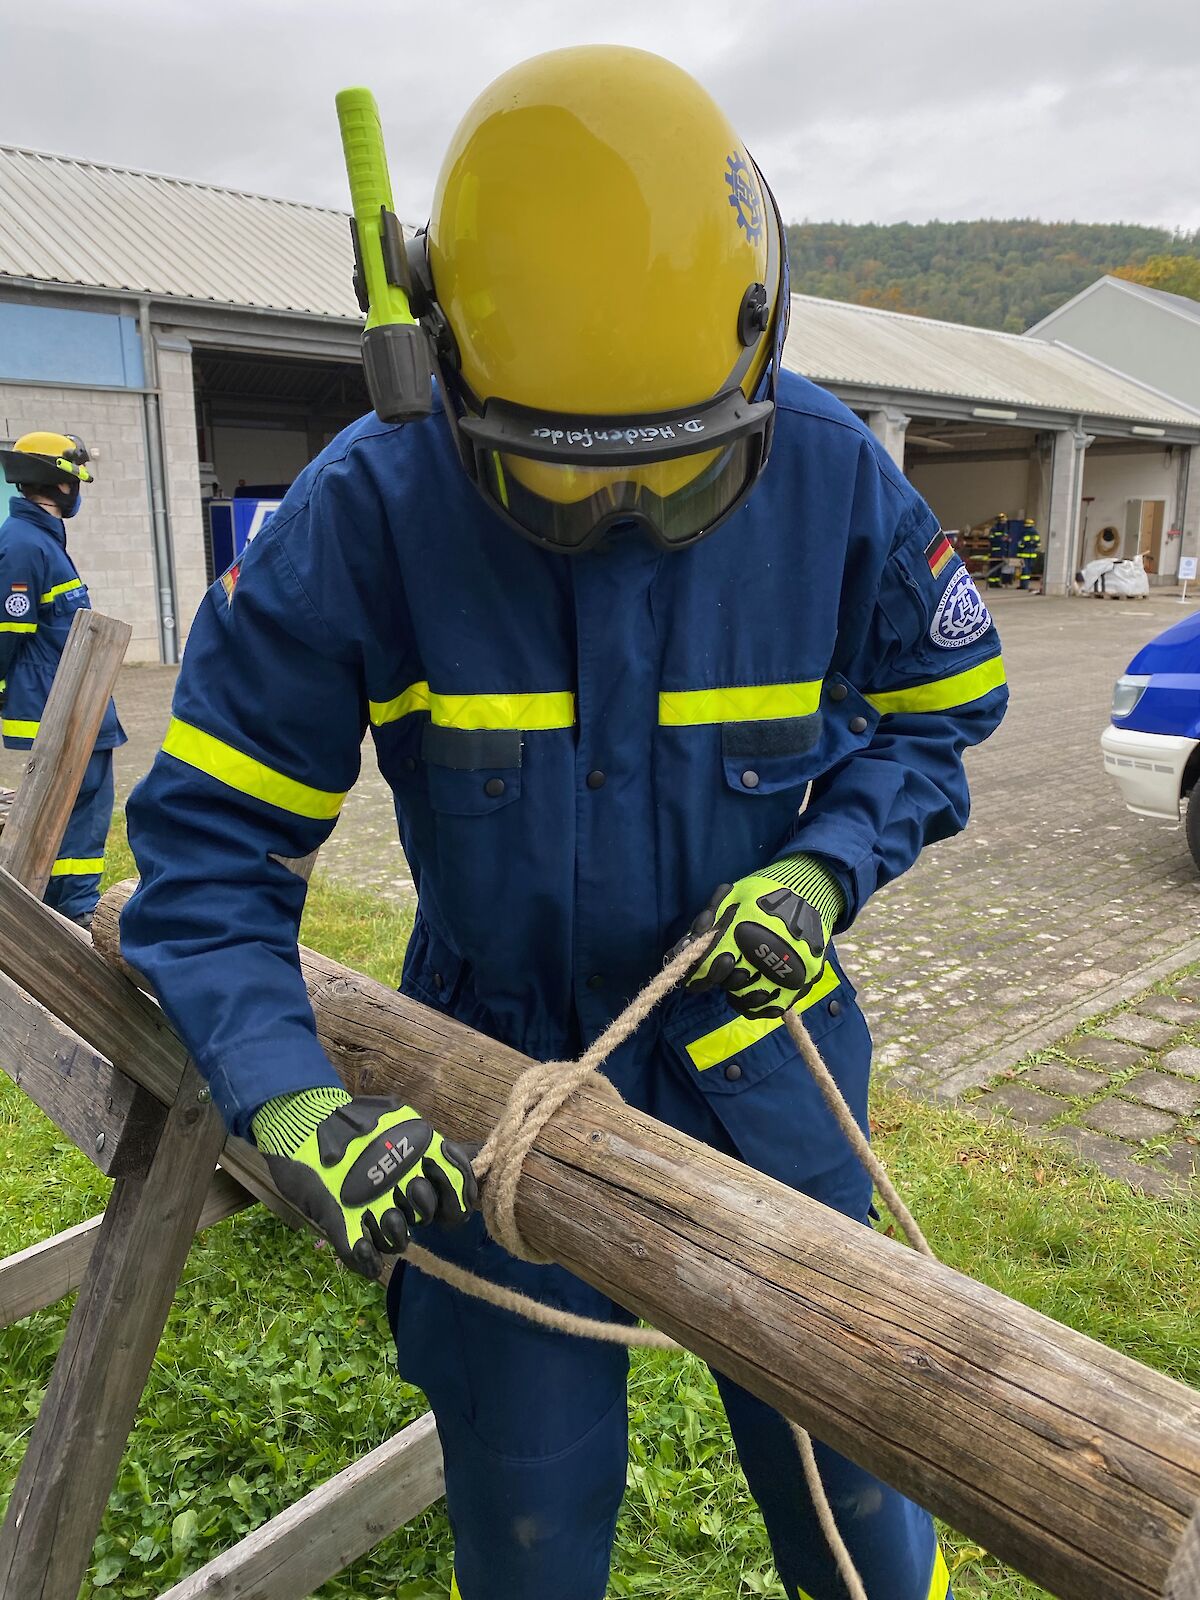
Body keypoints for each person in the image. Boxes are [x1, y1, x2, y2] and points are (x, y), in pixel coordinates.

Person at [121, 46, 1007, 1600]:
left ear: (757, 337)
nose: (617, 535)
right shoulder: (366, 513)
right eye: (560, 494)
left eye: (674, 491)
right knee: (528, 1510)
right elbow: (208, 864)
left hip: (764, 1069)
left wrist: (822, 860)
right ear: (438, 354)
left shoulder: (837, 481)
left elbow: (942, 714)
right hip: (488, 1077)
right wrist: (285, 1098)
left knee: (853, 1490)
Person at [0, 432, 125, 928]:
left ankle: (67, 909)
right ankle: (72, 915)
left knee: (81, 816)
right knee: (72, 818)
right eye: (76, 479)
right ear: (61, 483)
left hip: (78, 709)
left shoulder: (40, 541)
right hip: (59, 712)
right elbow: (8, 630)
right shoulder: (25, 544)